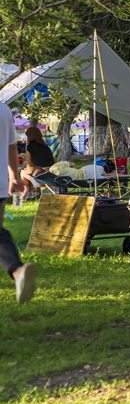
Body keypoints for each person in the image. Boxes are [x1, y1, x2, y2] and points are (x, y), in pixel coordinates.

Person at [1, 101, 36, 302]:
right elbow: (11, 147)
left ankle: (18, 271)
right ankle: (18, 272)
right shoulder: (3, 109)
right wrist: (14, 177)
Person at [19, 127, 55, 195]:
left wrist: (25, 169)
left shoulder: (30, 147)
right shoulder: (46, 147)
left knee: (23, 173)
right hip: (50, 176)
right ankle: (32, 193)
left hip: (39, 178)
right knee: (30, 172)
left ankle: (24, 195)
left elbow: (30, 164)